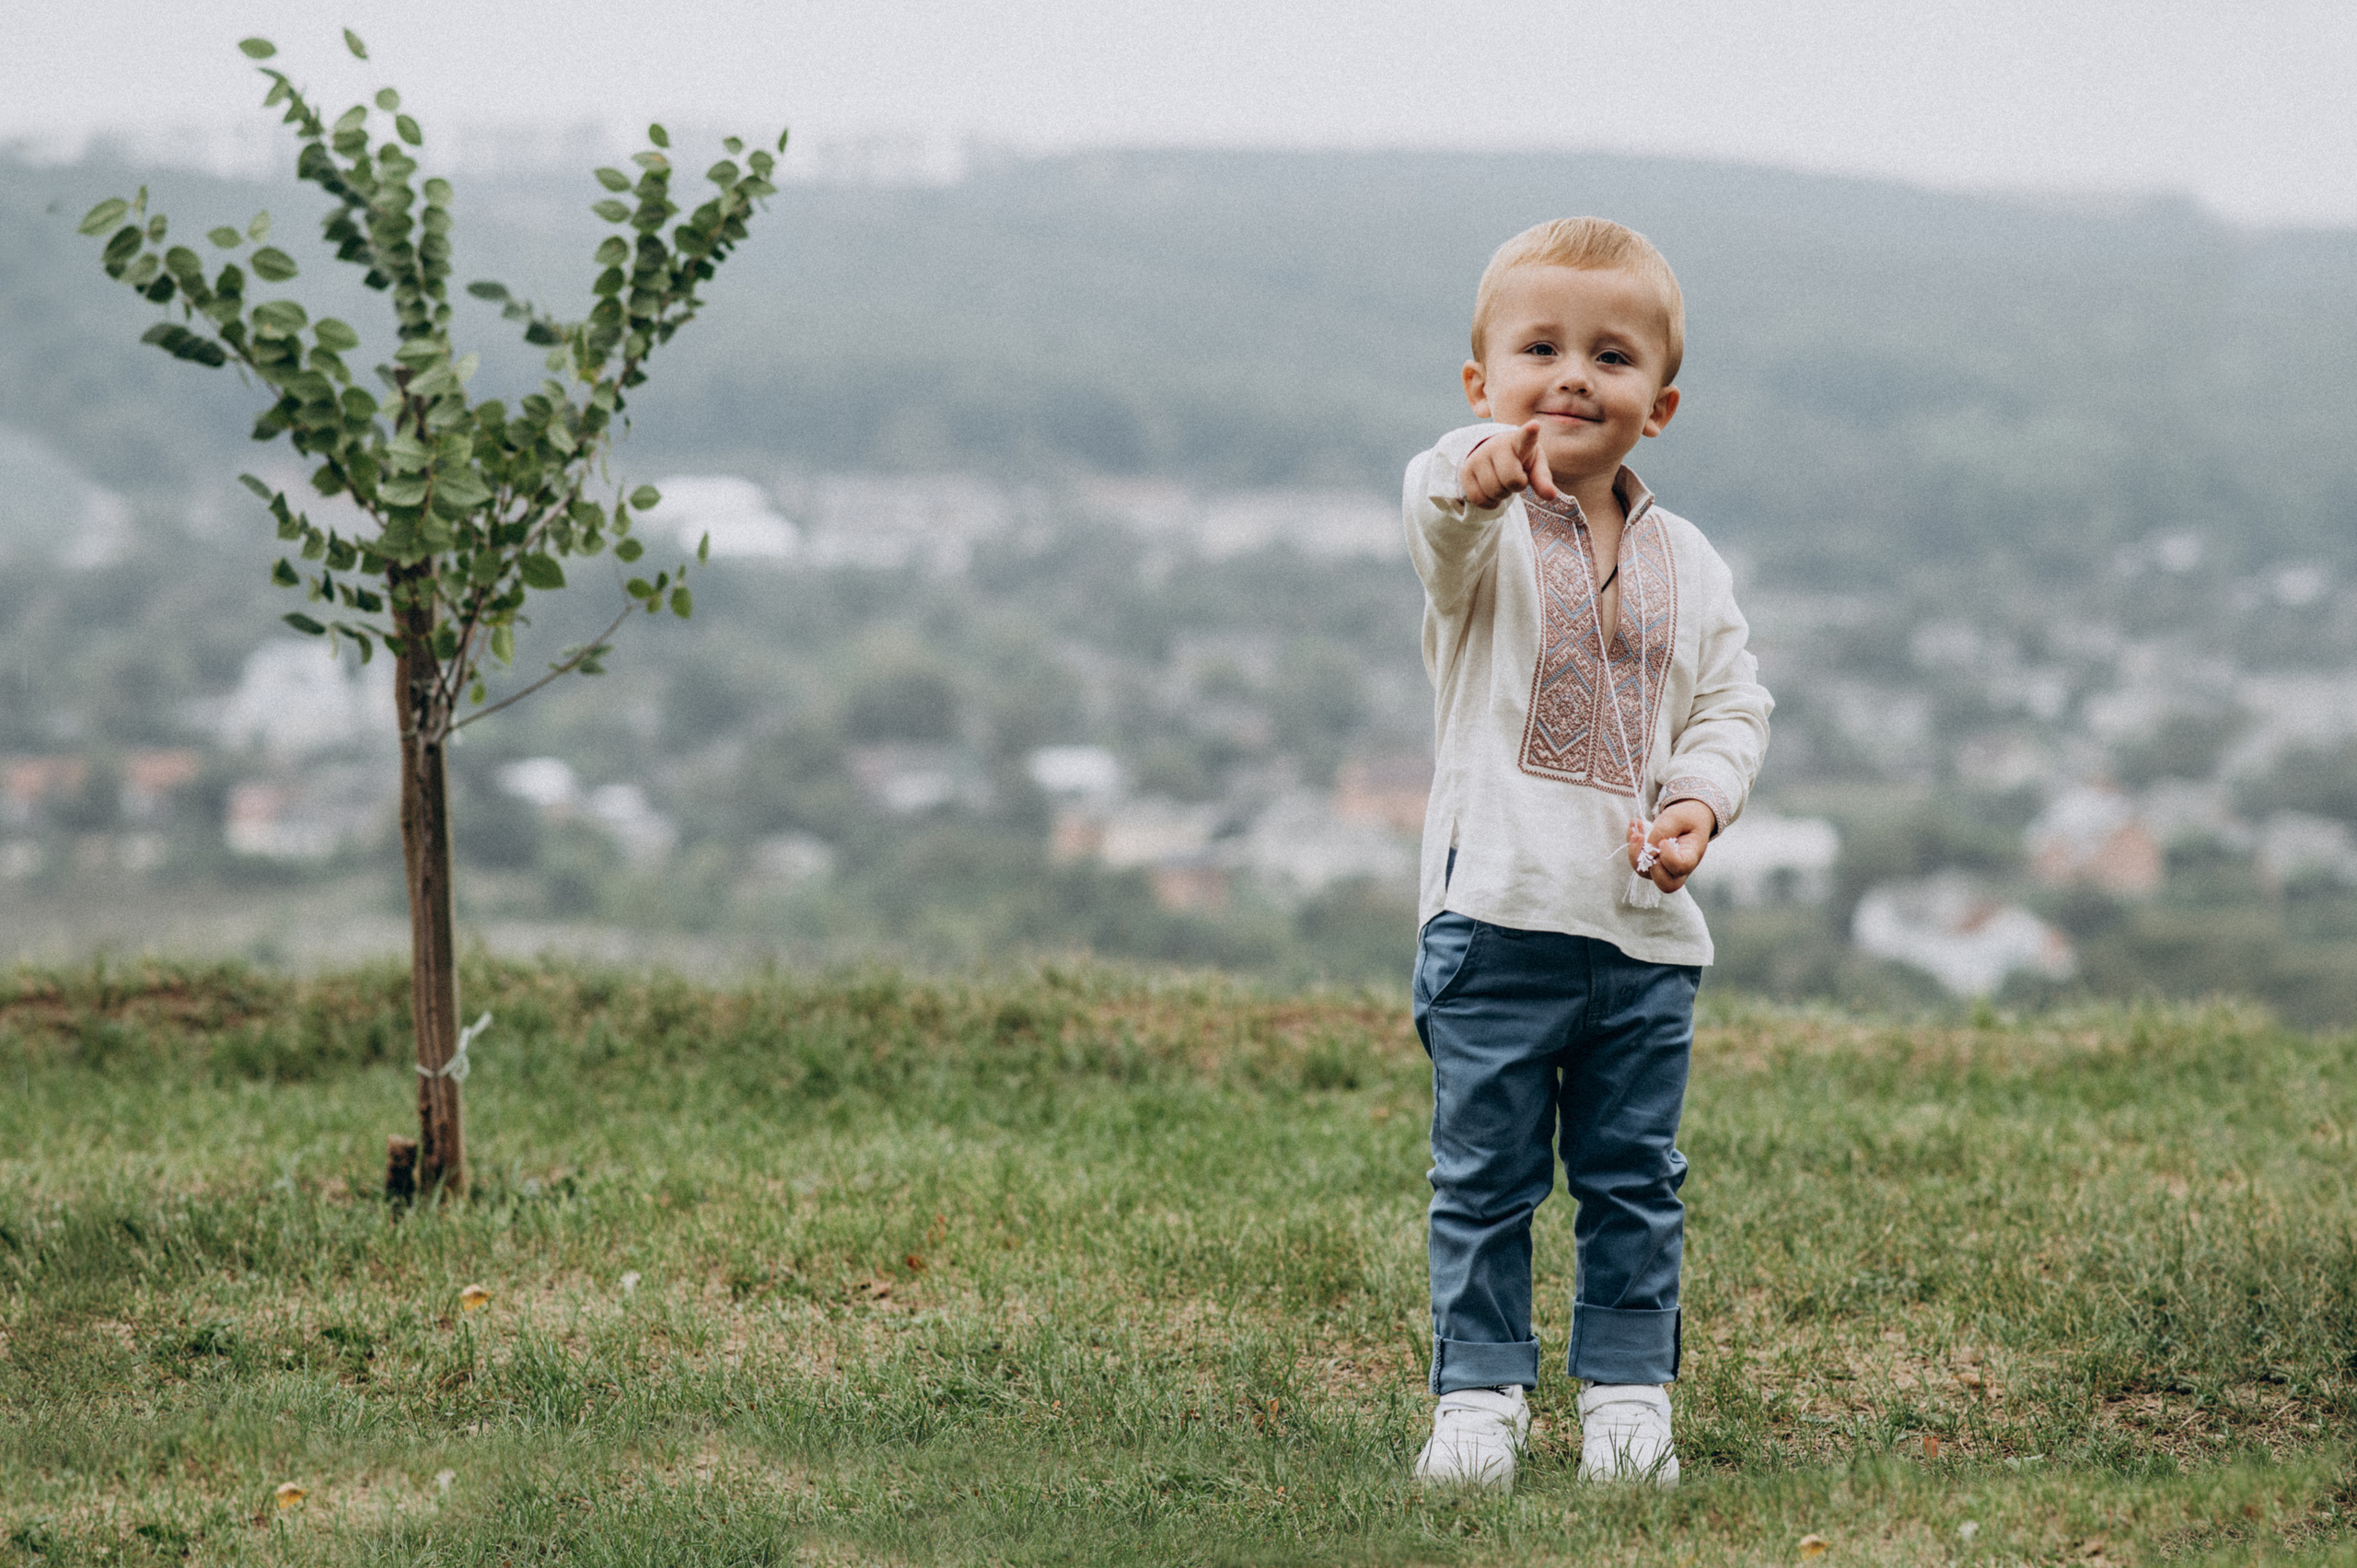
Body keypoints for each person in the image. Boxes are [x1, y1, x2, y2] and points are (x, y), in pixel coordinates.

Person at [1401, 217, 1771, 1491]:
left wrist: (1700, 804)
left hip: (1642, 937)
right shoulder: (1480, 528)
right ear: (1483, 381)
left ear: (1657, 405)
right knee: (1485, 1181)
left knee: (1634, 1182)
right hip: (1495, 919)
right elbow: (1437, 505)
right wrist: (1480, 470)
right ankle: (1478, 1401)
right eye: (1539, 350)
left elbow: (1732, 702)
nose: (1572, 377)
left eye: (1610, 357)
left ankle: (1627, 1399)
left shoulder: (1691, 561)